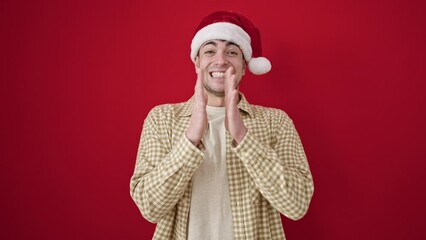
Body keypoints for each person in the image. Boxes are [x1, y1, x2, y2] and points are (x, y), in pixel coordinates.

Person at [130, 10, 314, 240]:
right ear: (197, 62)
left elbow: (297, 205)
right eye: (209, 50)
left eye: (232, 51)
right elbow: (150, 207)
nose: (220, 60)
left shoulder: (276, 122)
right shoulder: (162, 119)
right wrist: (191, 139)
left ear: (245, 65)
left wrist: (243, 136)